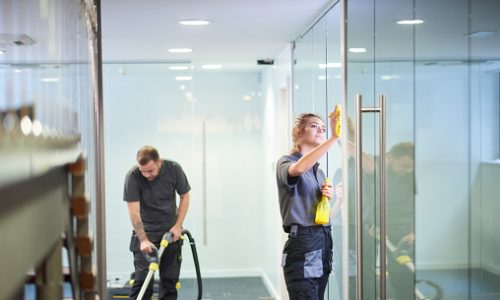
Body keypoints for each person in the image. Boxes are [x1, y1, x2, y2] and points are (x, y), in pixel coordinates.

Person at [276, 110, 340, 300]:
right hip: (304, 242)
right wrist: (334, 138)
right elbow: (298, 169)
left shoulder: (318, 172)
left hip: (323, 239)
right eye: (314, 126)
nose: (320, 130)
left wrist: (327, 199)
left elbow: (323, 214)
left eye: (323, 128)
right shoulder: (286, 162)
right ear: (298, 132)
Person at [123, 145, 191, 300]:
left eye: (150, 170)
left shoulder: (174, 169)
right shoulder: (133, 176)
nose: (146, 175)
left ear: (158, 161)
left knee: (169, 283)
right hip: (145, 235)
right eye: (143, 171)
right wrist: (143, 240)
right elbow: (134, 212)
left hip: (170, 234)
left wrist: (178, 226)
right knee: (142, 282)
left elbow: (185, 196)